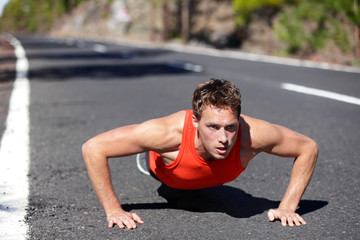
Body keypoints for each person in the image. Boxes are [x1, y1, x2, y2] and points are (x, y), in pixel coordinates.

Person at [82, 78, 318, 230]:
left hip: (211, 176)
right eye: (213, 127)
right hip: (168, 171)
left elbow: (308, 147)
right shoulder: (165, 134)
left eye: (230, 127)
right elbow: (94, 148)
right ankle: (146, 157)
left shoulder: (253, 135)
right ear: (195, 121)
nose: (224, 138)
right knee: (158, 163)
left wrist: (288, 206)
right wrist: (114, 209)